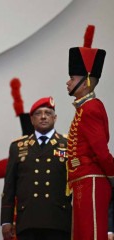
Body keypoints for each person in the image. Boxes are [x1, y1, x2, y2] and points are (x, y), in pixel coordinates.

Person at [66, 24, 114, 240]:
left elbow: (101, 152)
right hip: (82, 180)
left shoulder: (92, 107)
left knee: (92, 234)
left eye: (73, 79)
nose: (68, 82)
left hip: (93, 179)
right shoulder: (83, 108)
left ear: (85, 82)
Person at [1, 97, 71, 240]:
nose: (44, 117)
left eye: (48, 113)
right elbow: (9, 187)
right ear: (32, 119)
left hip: (58, 219)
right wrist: (6, 221)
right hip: (28, 220)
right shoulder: (18, 147)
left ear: (55, 118)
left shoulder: (69, 144)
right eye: (38, 113)